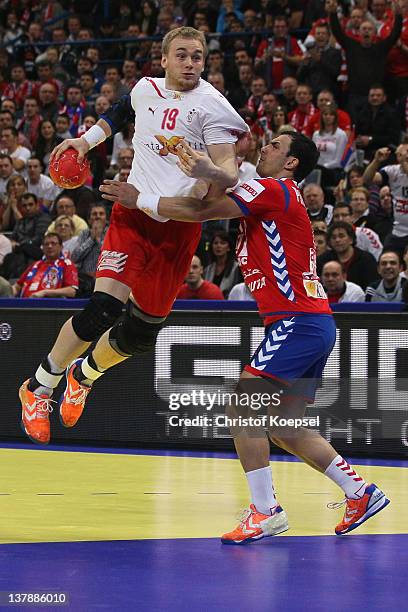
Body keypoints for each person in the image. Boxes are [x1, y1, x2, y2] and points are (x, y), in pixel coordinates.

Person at [102, 131, 389, 540]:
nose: (265, 147)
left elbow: (198, 211)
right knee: (283, 425)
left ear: (291, 162)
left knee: (242, 403)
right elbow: (210, 197)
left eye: (275, 145)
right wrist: (197, 164)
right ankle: (359, 492)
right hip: (310, 322)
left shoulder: (272, 188)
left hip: (296, 320)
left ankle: (265, 509)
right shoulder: (270, 197)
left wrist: (140, 199)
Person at [18, 26, 248, 445]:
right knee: (103, 308)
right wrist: (85, 142)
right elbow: (122, 110)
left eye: (197, 56)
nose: (190, 63)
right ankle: (38, 388)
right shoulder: (146, 89)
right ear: (163, 59)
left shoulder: (213, 105)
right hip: (132, 214)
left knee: (141, 334)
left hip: (179, 227)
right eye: (182, 55)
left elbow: (229, 170)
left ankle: (82, 376)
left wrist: (207, 172)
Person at [12, 233, 78, 299]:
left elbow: (71, 291)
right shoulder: (35, 264)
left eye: (53, 243)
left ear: (61, 247)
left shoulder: (67, 264)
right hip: (23, 304)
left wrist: (45, 292)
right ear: (42, 248)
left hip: (48, 305)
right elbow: (17, 286)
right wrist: (10, 291)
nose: (49, 246)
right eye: (46, 244)